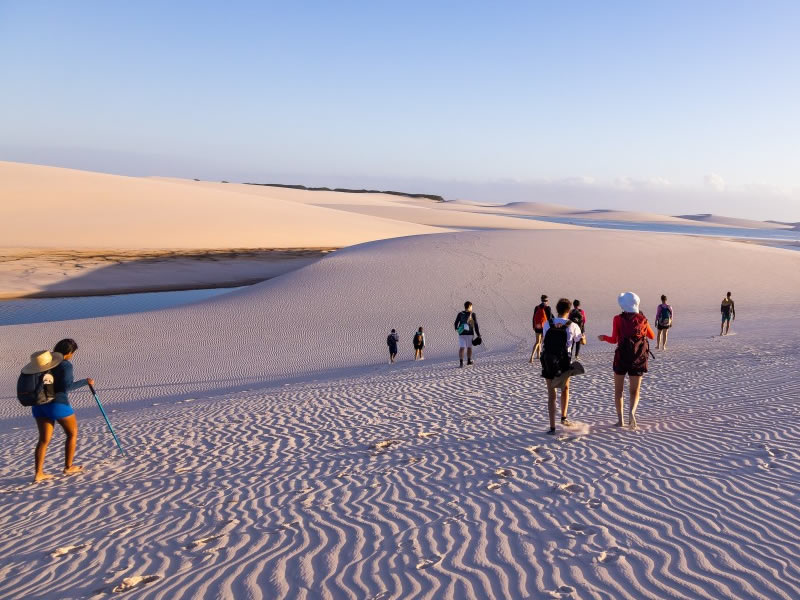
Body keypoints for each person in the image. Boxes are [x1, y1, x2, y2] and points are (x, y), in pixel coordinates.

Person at [28, 338, 93, 482]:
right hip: (57, 404)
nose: (72, 356)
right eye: (72, 353)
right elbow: (66, 387)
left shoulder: (43, 363)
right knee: (72, 433)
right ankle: (68, 467)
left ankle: (39, 473)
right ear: (69, 352)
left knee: (44, 440)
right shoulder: (65, 365)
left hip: (39, 405)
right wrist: (86, 382)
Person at [597, 292, 654, 429]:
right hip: (638, 358)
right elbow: (651, 336)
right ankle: (632, 413)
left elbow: (614, 339)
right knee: (635, 391)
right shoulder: (643, 319)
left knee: (619, 391)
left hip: (621, 358)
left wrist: (603, 337)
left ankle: (620, 420)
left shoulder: (617, 319)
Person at [541, 298, 586, 434]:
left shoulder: (547, 324)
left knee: (551, 394)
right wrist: (583, 336)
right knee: (565, 389)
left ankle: (552, 427)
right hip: (563, 361)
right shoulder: (572, 325)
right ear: (569, 310)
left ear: (557, 309)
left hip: (548, 360)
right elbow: (581, 341)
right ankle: (563, 417)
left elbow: (544, 340)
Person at [454, 301, 481, 367]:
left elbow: (456, 323)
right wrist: (478, 335)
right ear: (469, 306)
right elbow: (476, 325)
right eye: (471, 306)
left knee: (462, 348)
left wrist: (457, 330)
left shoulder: (460, 314)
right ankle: (468, 361)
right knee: (469, 347)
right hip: (470, 334)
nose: (472, 308)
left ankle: (461, 363)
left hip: (461, 333)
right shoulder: (472, 314)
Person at [530, 295, 552, 362]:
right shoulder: (548, 308)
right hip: (544, 327)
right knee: (541, 341)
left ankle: (533, 357)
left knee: (537, 342)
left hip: (537, 326)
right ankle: (539, 355)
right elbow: (550, 319)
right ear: (547, 301)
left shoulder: (537, 307)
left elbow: (534, 317)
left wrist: (533, 326)